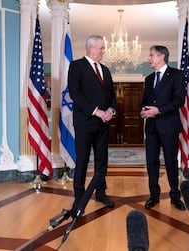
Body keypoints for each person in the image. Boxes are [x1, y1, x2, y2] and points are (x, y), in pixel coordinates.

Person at [68, 35, 117, 213]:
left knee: (102, 161)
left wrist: (111, 110)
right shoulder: (76, 66)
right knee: (82, 160)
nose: (103, 51)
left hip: (103, 124)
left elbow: (112, 95)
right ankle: (79, 198)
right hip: (85, 123)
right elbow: (76, 94)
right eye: (101, 48)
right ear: (90, 48)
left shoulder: (105, 70)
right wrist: (97, 111)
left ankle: (101, 193)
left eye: (103, 48)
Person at [140, 45, 187, 211]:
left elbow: (179, 100)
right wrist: (143, 110)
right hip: (151, 128)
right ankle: (154, 196)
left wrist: (158, 110)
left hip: (169, 126)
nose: (149, 58)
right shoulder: (148, 79)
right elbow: (144, 100)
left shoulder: (177, 75)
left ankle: (175, 196)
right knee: (151, 163)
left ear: (161, 57)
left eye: (151, 55)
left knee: (170, 162)